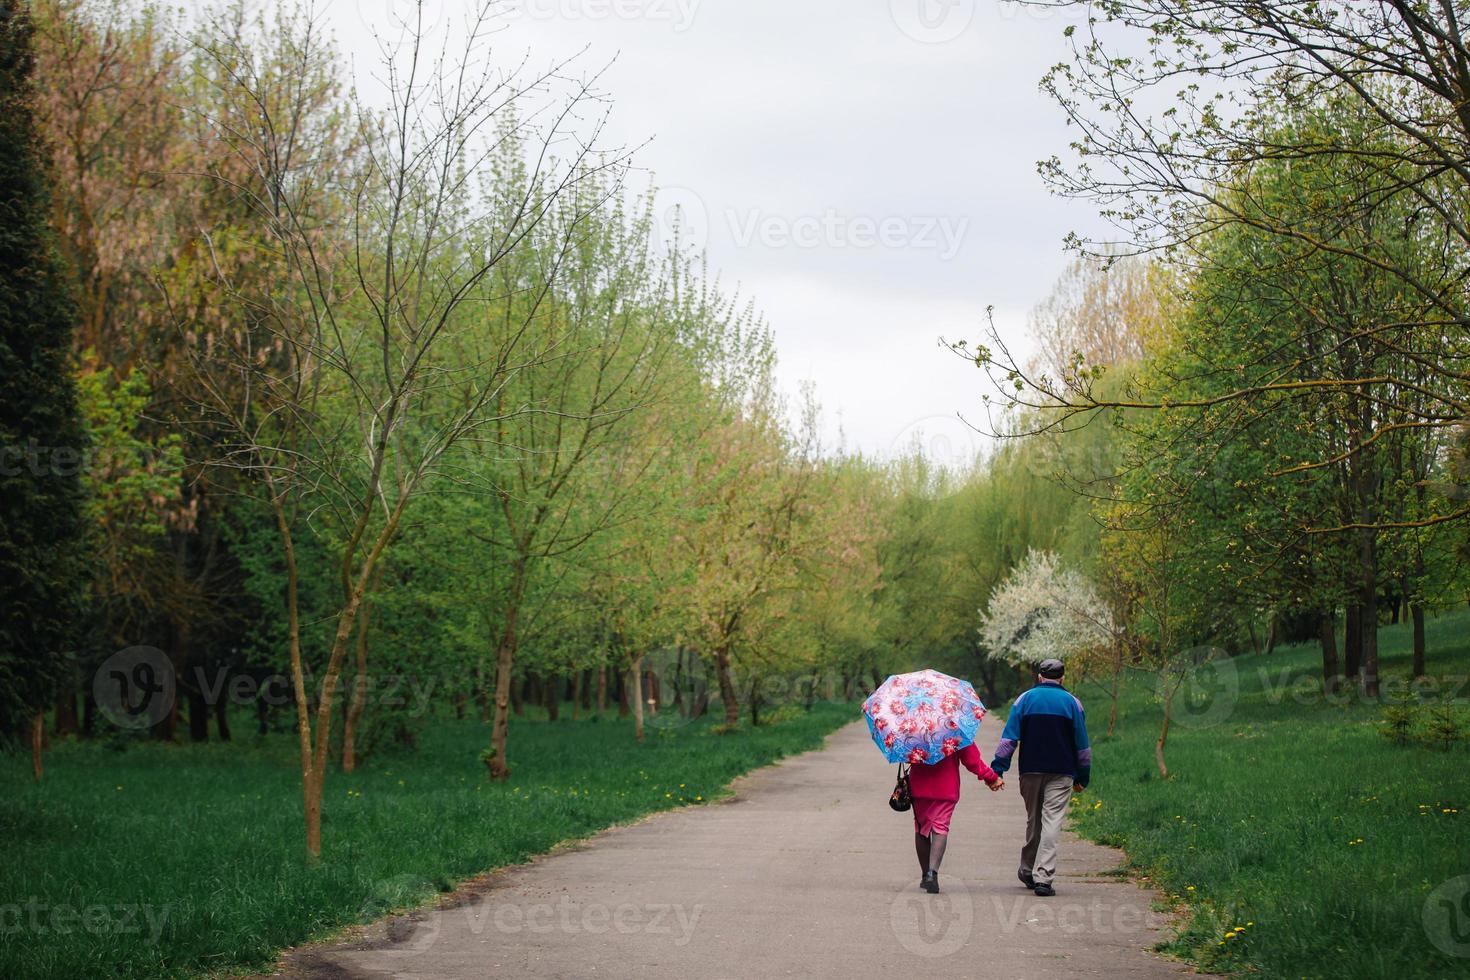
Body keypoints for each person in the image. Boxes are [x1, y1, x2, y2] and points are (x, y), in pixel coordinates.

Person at [989, 658, 1091, 897]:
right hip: (1062, 771)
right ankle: (1044, 878)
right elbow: (1082, 746)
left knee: (1034, 820)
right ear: (1062, 678)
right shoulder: (1073, 704)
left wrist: (998, 768)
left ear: (1039, 677)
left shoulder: (1024, 700)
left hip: (1031, 770)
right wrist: (1083, 776)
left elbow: (1009, 739)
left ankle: (1027, 870)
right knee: (1052, 821)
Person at [909, 741, 1004, 893]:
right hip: (946, 786)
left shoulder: (912, 729)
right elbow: (972, 759)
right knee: (940, 827)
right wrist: (990, 777)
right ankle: (932, 874)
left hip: (919, 785)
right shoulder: (953, 728)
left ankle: (925, 874)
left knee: (921, 827)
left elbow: (906, 756)